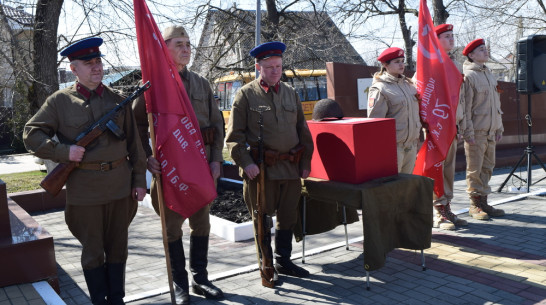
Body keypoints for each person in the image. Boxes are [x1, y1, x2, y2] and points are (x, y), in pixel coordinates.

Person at [23, 37, 147, 305]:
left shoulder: (119, 100)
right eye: (88, 63)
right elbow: (31, 135)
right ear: (73, 68)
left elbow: (135, 147)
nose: (96, 67)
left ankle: (117, 300)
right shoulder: (60, 101)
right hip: (85, 192)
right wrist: (62, 152)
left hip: (120, 188)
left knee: (118, 249)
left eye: (98, 61)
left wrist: (139, 181)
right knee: (93, 252)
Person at [132, 25, 224, 305]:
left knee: (201, 225)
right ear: (164, 48)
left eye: (188, 44)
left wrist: (217, 158)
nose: (186, 49)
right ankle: (180, 284)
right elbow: (135, 124)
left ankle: (201, 279)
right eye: (179, 44)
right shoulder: (152, 85)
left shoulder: (201, 83)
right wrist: (147, 156)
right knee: (172, 230)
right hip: (170, 173)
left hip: (201, 170)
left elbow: (217, 123)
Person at [225, 41, 314, 286]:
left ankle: (283, 260)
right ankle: (265, 266)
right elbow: (234, 137)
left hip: (290, 169)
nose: (276, 71)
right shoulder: (246, 94)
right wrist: (247, 163)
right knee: (262, 218)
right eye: (270, 66)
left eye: (278, 66)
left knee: (288, 217)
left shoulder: (290, 93)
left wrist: (306, 161)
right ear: (259, 67)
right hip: (261, 171)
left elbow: (302, 130)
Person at [461, 39, 505, 220]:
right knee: (475, 169)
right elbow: (465, 108)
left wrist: (499, 126)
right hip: (476, 131)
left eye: (485, 49)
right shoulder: (468, 76)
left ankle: (484, 201)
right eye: (481, 50)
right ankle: (474, 205)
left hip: (491, 130)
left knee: (487, 168)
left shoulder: (489, 74)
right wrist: (468, 132)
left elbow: (496, 104)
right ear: (471, 55)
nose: (485, 52)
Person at [430, 24, 468, 230]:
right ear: (436, 40)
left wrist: (460, 124)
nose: (452, 39)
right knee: (437, 168)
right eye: (447, 36)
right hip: (437, 126)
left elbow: (459, 99)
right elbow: (424, 95)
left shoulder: (453, 64)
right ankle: (438, 212)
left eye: (453, 36)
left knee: (449, 169)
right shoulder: (430, 64)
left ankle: (447, 206)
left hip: (452, 125)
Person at [367, 47, 421, 174]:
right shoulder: (380, 89)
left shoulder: (409, 85)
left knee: (406, 186)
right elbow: (375, 123)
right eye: (397, 61)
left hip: (411, 145)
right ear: (385, 65)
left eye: (402, 60)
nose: (402, 64)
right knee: (393, 186)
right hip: (393, 147)